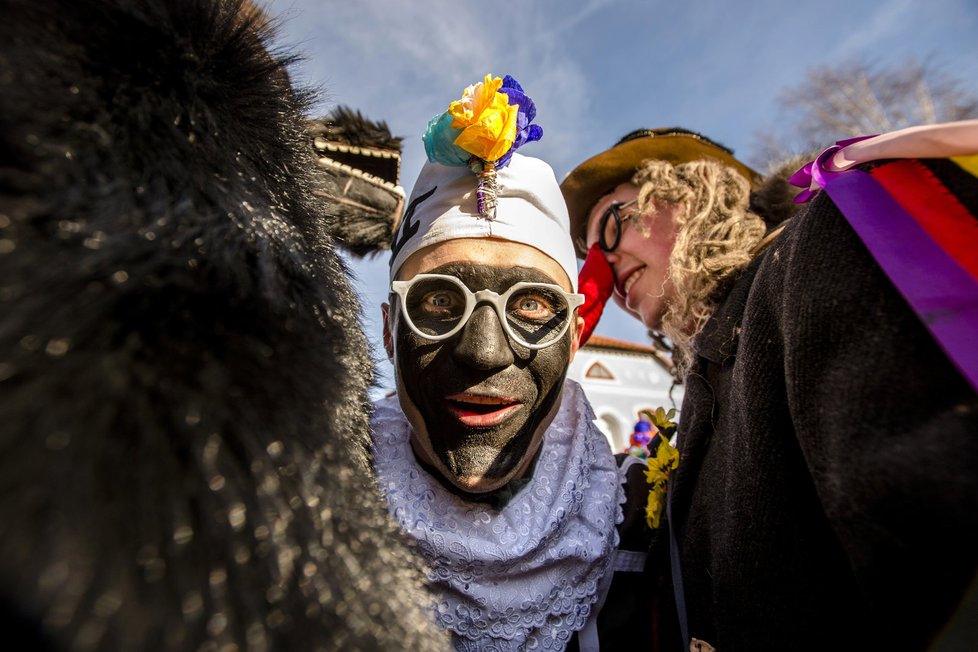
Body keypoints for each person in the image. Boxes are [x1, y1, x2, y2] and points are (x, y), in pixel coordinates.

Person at [560, 124, 978, 650]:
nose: (602, 267)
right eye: (590, 253)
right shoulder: (712, 371)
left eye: (613, 224)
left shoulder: (821, 248)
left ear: (691, 193)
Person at [370, 75, 655, 651]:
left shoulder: (652, 523)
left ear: (574, 336)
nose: (484, 352)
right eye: (440, 302)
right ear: (389, 331)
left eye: (531, 305)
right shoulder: (303, 512)